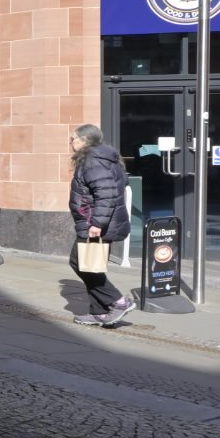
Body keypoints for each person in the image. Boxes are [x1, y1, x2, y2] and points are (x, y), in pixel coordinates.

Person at [68, 123, 133, 326]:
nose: (71, 143)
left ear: (84, 141)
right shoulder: (102, 158)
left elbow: (106, 194)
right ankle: (100, 312)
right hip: (96, 221)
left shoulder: (92, 161)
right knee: (90, 265)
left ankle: (119, 301)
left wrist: (97, 223)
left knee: (80, 263)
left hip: (94, 224)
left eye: (73, 139)